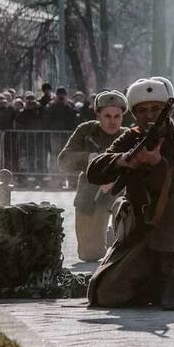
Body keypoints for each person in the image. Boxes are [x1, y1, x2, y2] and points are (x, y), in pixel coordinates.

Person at [86, 76, 174, 310]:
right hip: (140, 229)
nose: (149, 115)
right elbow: (94, 172)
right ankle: (150, 286)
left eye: (156, 109)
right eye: (142, 110)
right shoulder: (131, 138)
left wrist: (158, 164)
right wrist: (122, 161)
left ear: (168, 110)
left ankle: (173, 283)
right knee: (105, 294)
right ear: (134, 114)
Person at [58, 91, 129, 262]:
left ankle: (118, 234)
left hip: (122, 192)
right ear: (98, 115)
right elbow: (63, 160)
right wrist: (88, 158)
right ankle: (107, 238)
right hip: (91, 195)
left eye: (117, 116)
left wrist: (117, 179)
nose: (112, 121)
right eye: (107, 116)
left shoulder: (129, 134)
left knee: (131, 248)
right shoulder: (86, 130)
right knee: (90, 254)